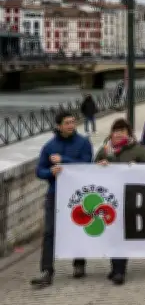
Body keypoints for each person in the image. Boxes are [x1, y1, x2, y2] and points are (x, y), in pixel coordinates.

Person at [31, 111, 93, 288]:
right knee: (49, 232)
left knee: (79, 228)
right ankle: (47, 270)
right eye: (67, 123)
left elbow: (87, 164)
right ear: (59, 126)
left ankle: (79, 264)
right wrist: (50, 172)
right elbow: (39, 171)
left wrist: (63, 161)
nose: (71, 125)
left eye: (73, 122)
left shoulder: (83, 143)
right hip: (55, 193)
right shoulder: (49, 146)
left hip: (78, 194)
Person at [95, 118, 145, 285]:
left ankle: (119, 269)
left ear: (129, 133)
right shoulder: (104, 150)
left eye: (122, 131)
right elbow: (91, 170)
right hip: (109, 198)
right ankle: (115, 266)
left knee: (121, 233)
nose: (118, 134)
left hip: (130, 197)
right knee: (112, 234)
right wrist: (100, 165)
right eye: (116, 130)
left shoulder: (138, 150)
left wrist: (137, 168)